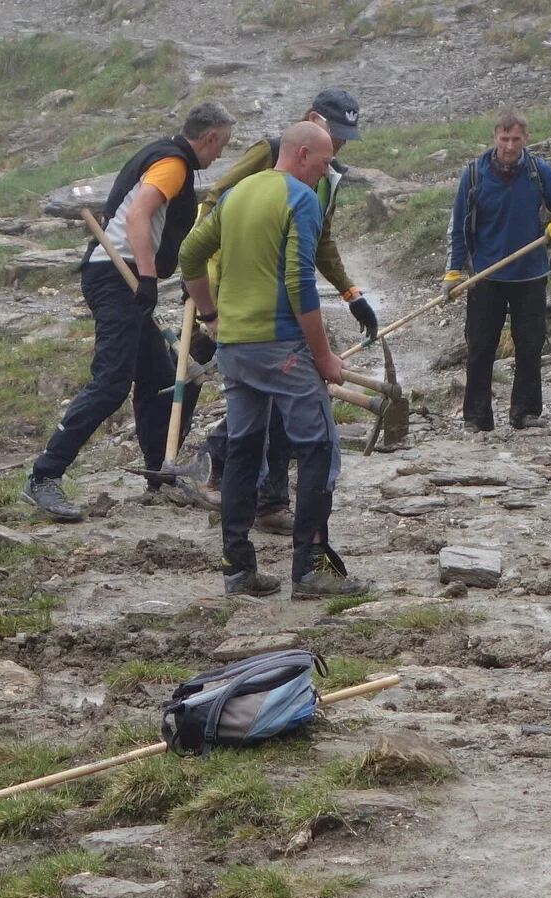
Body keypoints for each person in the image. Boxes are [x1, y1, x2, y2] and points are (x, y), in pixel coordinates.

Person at [181, 120, 368, 599]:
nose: (326, 172)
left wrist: (211, 315)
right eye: (324, 162)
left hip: (235, 349)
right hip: (281, 345)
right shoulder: (301, 199)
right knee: (319, 448)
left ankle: (238, 568)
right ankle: (310, 569)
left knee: (244, 448)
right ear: (302, 154)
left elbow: (189, 254)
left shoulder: (236, 194)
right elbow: (299, 282)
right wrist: (323, 357)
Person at [22, 101, 235, 522]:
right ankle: (43, 476)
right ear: (209, 137)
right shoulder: (172, 163)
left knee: (166, 378)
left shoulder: (162, 155)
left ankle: (159, 474)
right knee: (112, 381)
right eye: (222, 145)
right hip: (115, 274)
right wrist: (150, 278)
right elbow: (138, 215)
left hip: (124, 274)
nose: (221, 154)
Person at [198, 89, 380, 533]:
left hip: (282, 310)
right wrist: (210, 297)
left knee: (266, 407)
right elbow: (215, 206)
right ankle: (278, 519)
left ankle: (256, 511)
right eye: (335, 134)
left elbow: (321, 242)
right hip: (246, 300)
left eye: (346, 138)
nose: (339, 145)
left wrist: (351, 293)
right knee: (279, 411)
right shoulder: (270, 153)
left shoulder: (326, 175)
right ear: (313, 122)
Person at [444, 107, 551, 432]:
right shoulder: (474, 175)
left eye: (515, 139)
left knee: (530, 344)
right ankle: (477, 417)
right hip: (485, 276)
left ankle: (526, 412)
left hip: (530, 275)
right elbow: (458, 228)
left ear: (526, 138)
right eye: (504, 139)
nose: (509, 146)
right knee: (480, 346)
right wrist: (452, 272)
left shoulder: (537, 171)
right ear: (495, 137)